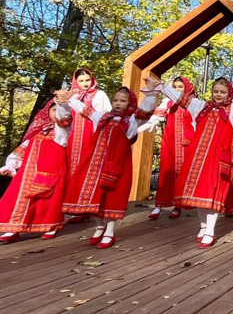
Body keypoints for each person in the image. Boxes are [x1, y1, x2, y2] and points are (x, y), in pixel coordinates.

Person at [162, 61, 233, 248]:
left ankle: (210, 231)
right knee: (198, 194)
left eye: (222, 92)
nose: (218, 95)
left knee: (213, 195)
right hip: (198, 159)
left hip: (218, 159)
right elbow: (180, 98)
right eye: (216, 91)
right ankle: (203, 227)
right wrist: (161, 86)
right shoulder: (201, 107)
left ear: (229, 93)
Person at [63, 77, 162, 248]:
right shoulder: (103, 116)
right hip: (96, 165)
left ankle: (109, 231)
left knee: (112, 196)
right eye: (116, 100)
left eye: (123, 101)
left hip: (117, 165)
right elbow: (85, 110)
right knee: (95, 196)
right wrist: (69, 98)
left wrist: (151, 93)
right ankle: (99, 226)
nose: (118, 103)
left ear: (129, 103)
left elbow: (146, 110)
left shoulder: (132, 120)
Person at [0, 91, 73, 242]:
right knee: (17, 198)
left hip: (52, 171)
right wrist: (11, 164)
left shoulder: (62, 131)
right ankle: (13, 228)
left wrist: (61, 103)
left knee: (49, 201)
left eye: (56, 110)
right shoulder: (37, 131)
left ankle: (50, 226)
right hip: (28, 173)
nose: (55, 113)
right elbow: (22, 149)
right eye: (52, 109)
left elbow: (63, 118)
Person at [140, 76, 195, 220]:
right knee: (166, 172)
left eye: (180, 87)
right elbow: (156, 118)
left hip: (186, 144)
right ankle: (159, 205)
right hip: (170, 142)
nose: (177, 89)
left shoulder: (192, 103)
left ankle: (178, 206)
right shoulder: (168, 102)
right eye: (175, 86)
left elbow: (197, 123)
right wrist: (140, 128)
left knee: (181, 174)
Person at [63, 67, 112, 223]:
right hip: (73, 136)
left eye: (87, 80)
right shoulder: (71, 95)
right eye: (81, 81)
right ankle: (75, 208)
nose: (85, 84)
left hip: (91, 135)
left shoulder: (99, 94)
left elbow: (104, 115)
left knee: (88, 170)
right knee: (72, 170)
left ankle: (90, 206)